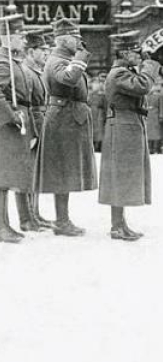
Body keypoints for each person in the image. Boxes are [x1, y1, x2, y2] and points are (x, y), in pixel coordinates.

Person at [34, 18, 96, 237]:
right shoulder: (57, 60)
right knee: (62, 171)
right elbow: (67, 79)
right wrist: (80, 58)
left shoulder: (63, 58)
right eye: (75, 37)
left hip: (67, 117)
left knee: (65, 170)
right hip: (63, 118)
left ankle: (63, 219)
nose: (79, 41)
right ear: (63, 39)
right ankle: (62, 221)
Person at [99, 31, 161, 241]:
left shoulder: (123, 72)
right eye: (135, 52)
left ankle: (120, 223)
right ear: (124, 53)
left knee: (123, 175)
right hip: (123, 125)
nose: (139, 55)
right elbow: (144, 86)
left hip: (127, 124)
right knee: (120, 176)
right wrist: (149, 64)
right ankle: (117, 226)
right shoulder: (119, 74)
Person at [0, 15, 35, 243]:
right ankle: (2, 227)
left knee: (8, 176)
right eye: (20, 36)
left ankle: (6, 224)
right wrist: (11, 116)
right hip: (7, 125)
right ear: (7, 37)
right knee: (2, 178)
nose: (23, 40)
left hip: (17, 122)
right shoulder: (3, 64)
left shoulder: (13, 62)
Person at [19, 31, 53, 231]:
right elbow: (28, 106)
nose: (46, 54)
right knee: (27, 174)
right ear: (31, 52)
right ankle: (27, 218)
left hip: (41, 125)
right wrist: (32, 133)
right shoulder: (27, 72)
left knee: (35, 174)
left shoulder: (36, 72)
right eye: (42, 50)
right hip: (33, 127)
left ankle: (35, 214)